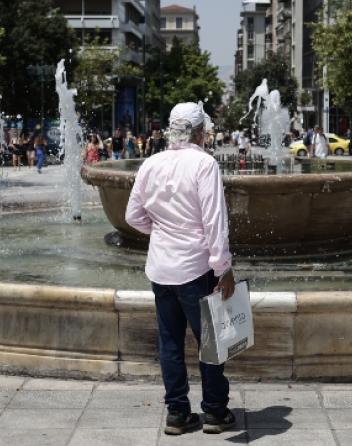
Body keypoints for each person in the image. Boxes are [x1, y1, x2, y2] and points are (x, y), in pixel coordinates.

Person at [125, 102, 236, 436]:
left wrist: (161, 231)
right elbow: (214, 221)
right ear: (201, 131)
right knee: (211, 341)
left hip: (161, 267)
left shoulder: (151, 163)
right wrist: (223, 268)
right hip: (195, 267)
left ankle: (177, 413)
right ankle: (215, 411)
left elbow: (133, 215)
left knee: (170, 343)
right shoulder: (204, 163)